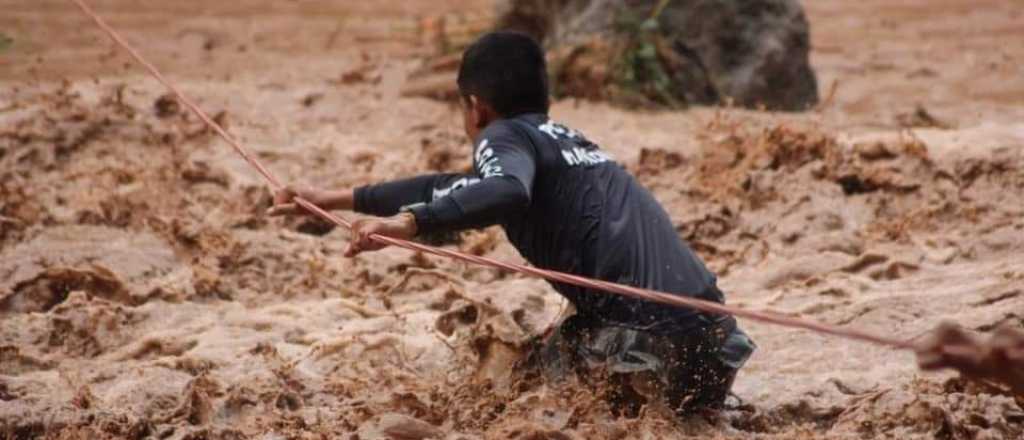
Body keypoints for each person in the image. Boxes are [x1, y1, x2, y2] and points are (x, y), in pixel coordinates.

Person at [268, 31, 755, 415]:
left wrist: (410, 224)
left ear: (476, 106)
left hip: (650, 346)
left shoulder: (499, 136)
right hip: (716, 345)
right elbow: (454, 186)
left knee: (523, 393)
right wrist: (332, 198)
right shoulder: (566, 141)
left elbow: (503, 191)